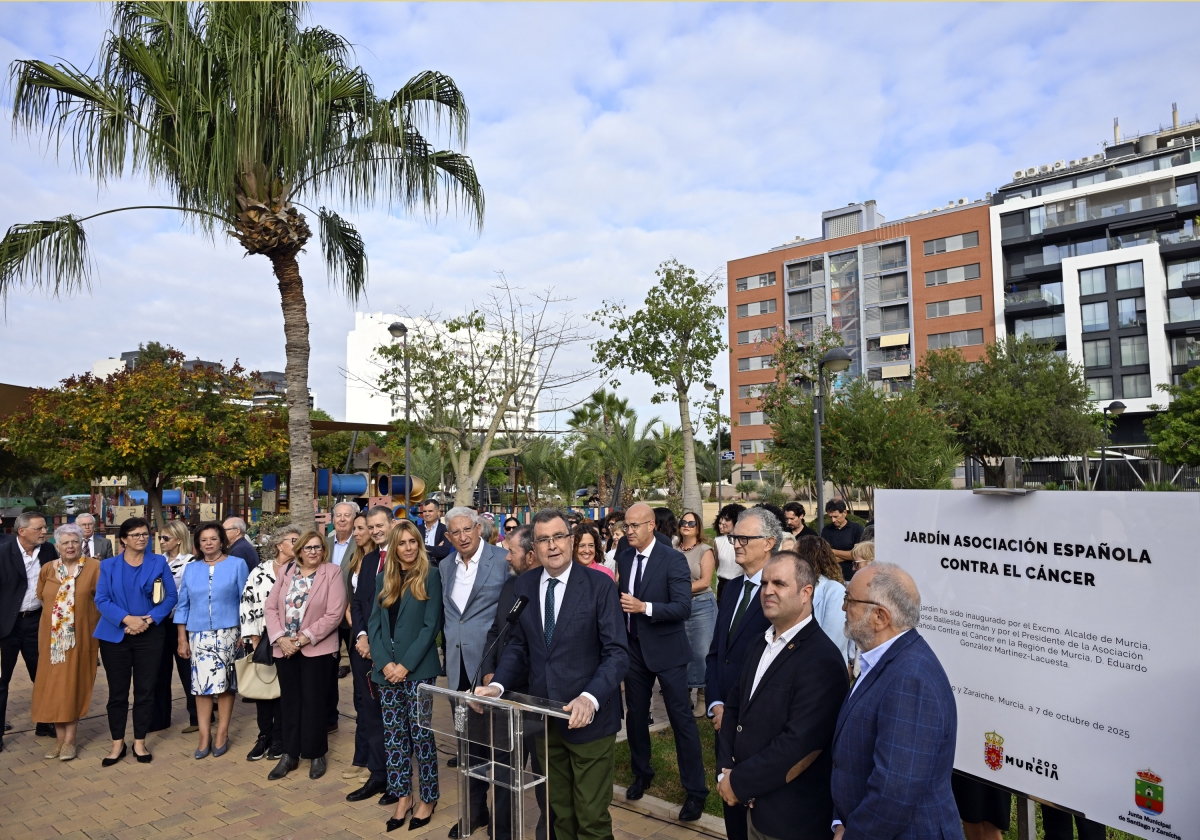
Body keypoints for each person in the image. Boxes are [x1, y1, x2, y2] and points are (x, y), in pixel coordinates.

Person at [476, 508, 628, 840]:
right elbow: (518, 645)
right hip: (544, 720)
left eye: (559, 537)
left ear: (572, 541)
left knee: (591, 819)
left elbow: (617, 653)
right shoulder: (525, 585)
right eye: (544, 539)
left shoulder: (599, 586)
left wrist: (590, 698)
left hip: (589, 721)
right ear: (535, 548)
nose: (553, 545)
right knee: (559, 813)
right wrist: (498, 685)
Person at [716, 551, 849, 840]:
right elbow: (735, 708)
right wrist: (724, 772)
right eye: (764, 584)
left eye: (779, 583)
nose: (768, 591)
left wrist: (740, 783)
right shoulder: (758, 643)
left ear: (806, 592)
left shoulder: (822, 660)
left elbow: (799, 744)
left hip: (786, 819)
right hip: (739, 806)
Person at [831, 562, 959, 839]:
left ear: (880, 616)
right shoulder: (881, 659)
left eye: (849, 600)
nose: (843, 608)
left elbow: (895, 792)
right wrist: (841, 819)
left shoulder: (909, 679)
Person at [617, 502, 708, 822]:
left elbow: (682, 608)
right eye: (625, 526)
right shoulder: (624, 556)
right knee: (637, 716)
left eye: (633, 526)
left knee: (681, 719)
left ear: (651, 525)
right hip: (634, 651)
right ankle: (641, 774)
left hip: (667, 652)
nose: (627, 531)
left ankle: (696, 791)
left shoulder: (672, 559)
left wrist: (645, 608)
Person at [704, 506, 777, 840]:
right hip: (725, 724)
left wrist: (735, 711)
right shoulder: (731, 587)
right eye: (735, 537)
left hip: (760, 726)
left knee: (761, 816)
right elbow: (718, 654)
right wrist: (716, 703)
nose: (737, 543)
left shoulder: (779, 594)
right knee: (731, 810)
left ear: (770, 543)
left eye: (746, 537)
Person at [368, 519, 444, 833]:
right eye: (402, 543)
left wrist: (405, 666)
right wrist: (385, 663)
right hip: (387, 672)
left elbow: (431, 627)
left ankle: (428, 797)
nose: (409, 548)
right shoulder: (382, 579)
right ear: (395, 547)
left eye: (413, 542)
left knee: (422, 736)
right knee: (395, 738)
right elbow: (374, 625)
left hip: (419, 671)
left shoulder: (431, 575)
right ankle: (403, 796)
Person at [440, 506, 509, 838]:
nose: (463, 537)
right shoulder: (444, 567)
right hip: (458, 672)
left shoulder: (502, 559)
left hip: (492, 671)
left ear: (479, 529)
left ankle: (502, 817)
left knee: (502, 746)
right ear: (449, 537)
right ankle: (475, 811)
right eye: (456, 532)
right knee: (468, 745)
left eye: (468, 529)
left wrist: (499, 668)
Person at [94, 517, 178, 765]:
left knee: (145, 691)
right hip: (115, 635)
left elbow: (170, 597)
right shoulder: (108, 566)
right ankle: (117, 743)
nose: (142, 538)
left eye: (145, 534)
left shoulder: (158, 562)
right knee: (117, 693)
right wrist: (127, 620)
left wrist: (148, 621)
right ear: (123, 540)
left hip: (149, 635)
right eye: (135, 535)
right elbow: (102, 600)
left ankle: (139, 742)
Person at [264, 530, 347, 781]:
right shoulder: (287, 572)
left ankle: (316, 753)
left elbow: (334, 614)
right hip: (284, 648)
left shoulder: (331, 572)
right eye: (308, 548)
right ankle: (289, 754)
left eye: (318, 547)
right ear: (299, 550)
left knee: (314, 702)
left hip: (316, 649)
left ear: (324, 550)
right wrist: (280, 637)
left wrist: (301, 640)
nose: (313, 552)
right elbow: (270, 607)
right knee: (289, 703)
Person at [176, 521, 250, 759]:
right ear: (198, 543)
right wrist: (182, 639)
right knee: (201, 687)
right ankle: (204, 736)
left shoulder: (237, 565)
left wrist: (244, 633)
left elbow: (246, 601)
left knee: (226, 685)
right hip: (198, 634)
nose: (208, 543)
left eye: (213, 539)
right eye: (203, 540)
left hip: (229, 633)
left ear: (222, 541)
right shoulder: (191, 568)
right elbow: (183, 605)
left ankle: (222, 733)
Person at [30, 523, 101, 761]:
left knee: (72, 686)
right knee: (53, 689)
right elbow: (42, 596)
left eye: (74, 542)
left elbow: (101, 600)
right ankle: (59, 740)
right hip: (51, 642)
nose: (70, 546)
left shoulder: (93, 568)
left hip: (80, 640)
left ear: (81, 543)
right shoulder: (48, 569)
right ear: (57, 546)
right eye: (65, 542)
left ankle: (70, 740)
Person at [0, 511, 60, 749]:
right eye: (39, 528)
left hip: (36, 622)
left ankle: (45, 723)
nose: (44, 532)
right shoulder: (3, 553)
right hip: (7, 626)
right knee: (2, 681)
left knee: (41, 675)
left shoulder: (48, 551)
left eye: (44, 527)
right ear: (22, 531)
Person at [241, 524, 299, 763]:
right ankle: (264, 735)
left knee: (285, 691)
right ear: (279, 545)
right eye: (293, 539)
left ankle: (280, 737)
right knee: (263, 689)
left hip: (292, 640)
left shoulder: (301, 570)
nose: (298, 543)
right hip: (263, 638)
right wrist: (252, 636)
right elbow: (248, 602)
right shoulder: (260, 570)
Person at [348, 507, 392, 802]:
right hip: (364, 651)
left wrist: (381, 647)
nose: (375, 531)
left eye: (380, 525)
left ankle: (397, 779)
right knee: (372, 714)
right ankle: (377, 776)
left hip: (393, 655)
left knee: (396, 719)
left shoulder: (406, 557)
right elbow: (359, 603)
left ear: (393, 524)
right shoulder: (368, 560)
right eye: (371, 527)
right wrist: (362, 636)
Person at [155, 520, 196, 734]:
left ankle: (197, 716)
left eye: (166, 538)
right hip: (159, 622)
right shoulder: (157, 561)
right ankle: (160, 718)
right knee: (160, 671)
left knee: (187, 670)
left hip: (182, 623)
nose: (161, 541)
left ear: (179, 540)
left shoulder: (190, 562)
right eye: (160, 537)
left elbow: (187, 595)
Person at [675, 510, 717, 717]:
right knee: (681, 652)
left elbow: (705, 581)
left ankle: (703, 696)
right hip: (678, 607)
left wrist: (676, 589)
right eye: (683, 522)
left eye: (692, 523)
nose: (687, 525)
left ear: (698, 527)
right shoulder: (672, 550)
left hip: (701, 605)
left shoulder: (704, 550)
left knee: (702, 653)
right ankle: (686, 695)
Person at [792, 537, 854, 672]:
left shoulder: (835, 591)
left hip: (822, 671)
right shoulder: (795, 588)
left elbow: (832, 641)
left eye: (794, 555)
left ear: (807, 558)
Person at [327, 501, 358, 682]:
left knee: (356, 655)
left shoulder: (360, 542)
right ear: (333, 519)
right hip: (329, 609)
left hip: (351, 607)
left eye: (347, 515)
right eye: (338, 515)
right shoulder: (326, 543)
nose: (342, 519)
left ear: (354, 519)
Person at [819, 500, 863, 582]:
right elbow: (824, 556)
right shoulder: (826, 530)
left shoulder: (857, 529)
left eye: (836, 516)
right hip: (831, 577)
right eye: (830, 517)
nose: (833, 520)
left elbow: (857, 555)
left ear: (845, 513)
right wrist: (849, 555)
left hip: (852, 577)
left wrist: (832, 551)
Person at [711, 503, 745, 602]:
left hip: (740, 584)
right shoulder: (718, 541)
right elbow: (717, 565)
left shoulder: (745, 541)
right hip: (723, 585)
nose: (722, 522)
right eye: (722, 518)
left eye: (727, 519)